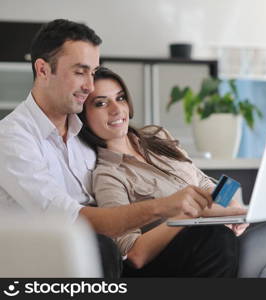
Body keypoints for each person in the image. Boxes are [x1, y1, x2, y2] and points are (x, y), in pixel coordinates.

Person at [0, 19, 215, 278]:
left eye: (93, 72)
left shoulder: (87, 129)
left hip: (110, 252)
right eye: (80, 72)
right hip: (45, 255)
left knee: (210, 240)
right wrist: (162, 206)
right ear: (43, 70)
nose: (89, 86)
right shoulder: (12, 138)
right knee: (99, 245)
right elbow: (71, 220)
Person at [79, 67, 266, 278]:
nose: (115, 109)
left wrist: (231, 208)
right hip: (200, 259)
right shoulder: (108, 175)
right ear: (83, 116)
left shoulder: (157, 137)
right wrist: (187, 215)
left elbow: (208, 183)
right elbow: (133, 254)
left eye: (120, 98)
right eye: (101, 103)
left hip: (229, 238)